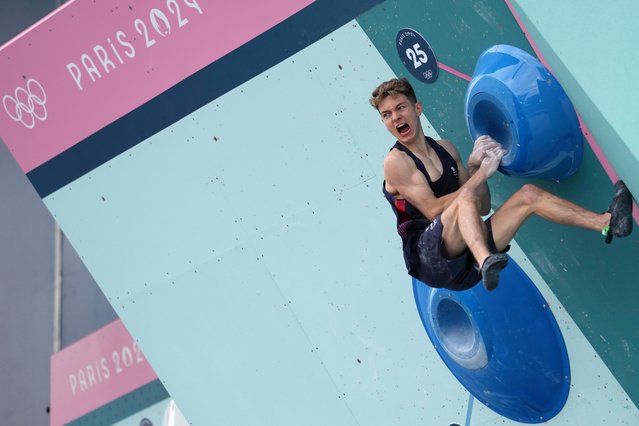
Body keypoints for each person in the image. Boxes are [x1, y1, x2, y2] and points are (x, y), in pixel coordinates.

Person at [370, 77, 633, 291]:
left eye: (400, 108)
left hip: (465, 263)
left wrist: (474, 168)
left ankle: (608, 222)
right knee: (463, 198)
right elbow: (433, 210)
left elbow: (482, 206)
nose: (395, 117)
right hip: (430, 260)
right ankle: (486, 261)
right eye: (386, 114)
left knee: (529, 196)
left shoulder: (446, 149)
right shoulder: (396, 162)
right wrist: (482, 174)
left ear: (417, 108)